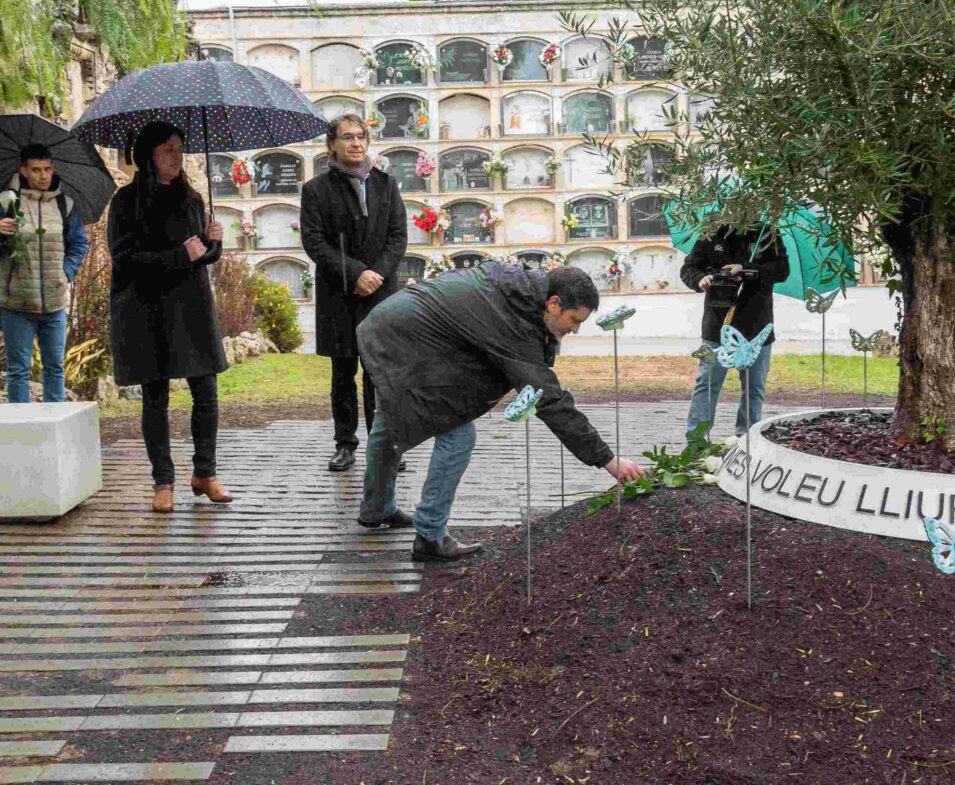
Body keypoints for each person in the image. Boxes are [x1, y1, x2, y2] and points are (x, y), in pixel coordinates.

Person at [355, 262, 646, 560]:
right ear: (554, 303)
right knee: (458, 434)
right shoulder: (511, 317)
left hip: (388, 325)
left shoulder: (519, 292)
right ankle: (430, 535)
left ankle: (376, 508)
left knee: (389, 421)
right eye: (573, 320)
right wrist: (608, 460)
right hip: (403, 339)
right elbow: (547, 397)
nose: (575, 329)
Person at [107, 121, 232, 513]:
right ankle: (163, 480)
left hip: (191, 307)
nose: (177, 156)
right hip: (146, 309)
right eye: (167, 149)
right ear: (148, 156)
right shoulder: (127, 202)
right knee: (155, 397)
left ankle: (205, 473)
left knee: (206, 394)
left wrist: (214, 243)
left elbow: (202, 255)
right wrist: (183, 255)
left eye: (179, 148)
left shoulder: (192, 198)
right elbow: (123, 258)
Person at [299, 114, 408, 472]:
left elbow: (397, 237)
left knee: (380, 373)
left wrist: (376, 273)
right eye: (347, 137)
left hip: (381, 292)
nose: (356, 143)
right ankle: (345, 444)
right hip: (340, 294)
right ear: (332, 144)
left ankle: (387, 443)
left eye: (360, 137)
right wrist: (356, 272)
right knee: (343, 374)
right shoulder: (316, 190)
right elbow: (315, 242)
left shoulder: (386, 184)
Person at [680, 223, 790, 439]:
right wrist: (699, 279)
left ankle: (747, 437)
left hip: (757, 327)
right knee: (707, 383)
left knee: (754, 388)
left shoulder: (768, 233)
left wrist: (746, 268)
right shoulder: (711, 233)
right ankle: (697, 439)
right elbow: (689, 268)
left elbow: (781, 270)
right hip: (717, 325)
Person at [0, 143, 91, 403]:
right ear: (24, 171)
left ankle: (55, 432)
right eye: (36, 169)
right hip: (17, 302)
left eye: (47, 169)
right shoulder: (8, 202)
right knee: (18, 372)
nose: (43, 175)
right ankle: (20, 433)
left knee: (55, 368)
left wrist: (65, 271)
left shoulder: (65, 204)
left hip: (54, 302)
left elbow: (80, 243)